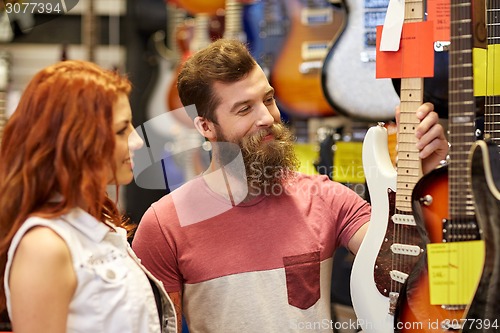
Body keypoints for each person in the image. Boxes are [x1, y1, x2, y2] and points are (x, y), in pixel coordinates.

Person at [132, 39, 448, 332]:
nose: (267, 118)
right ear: (206, 126)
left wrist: (426, 181)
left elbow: (402, 266)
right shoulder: (165, 225)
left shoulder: (326, 197)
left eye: (268, 100)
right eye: (244, 109)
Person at [0, 60, 177, 333]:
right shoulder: (45, 247)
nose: (137, 140)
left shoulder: (99, 226)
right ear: (74, 140)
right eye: (121, 130)